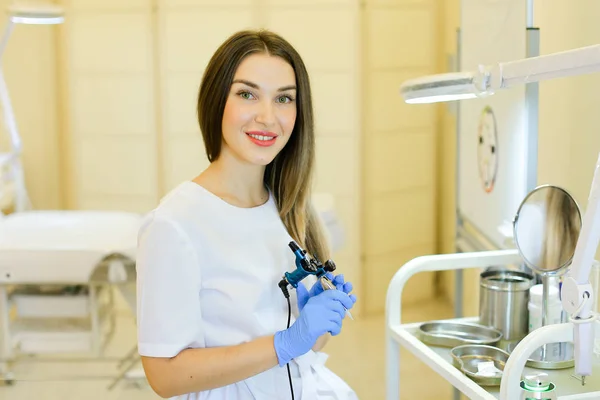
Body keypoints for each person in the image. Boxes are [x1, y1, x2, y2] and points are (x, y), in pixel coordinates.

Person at [135, 29, 358, 400]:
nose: (268, 117)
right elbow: (165, 376)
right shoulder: (174, 225)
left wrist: (316, 323)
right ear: (216, 101)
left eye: (284, 98)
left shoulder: (289, 207)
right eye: (247, 94)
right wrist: (285, 341)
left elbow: (304, 350)